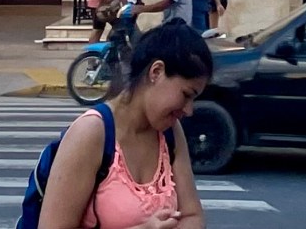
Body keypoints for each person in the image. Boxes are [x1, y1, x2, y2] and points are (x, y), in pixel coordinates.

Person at [34, 20, 212, 229]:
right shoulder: (92, 133)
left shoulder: (170, 132)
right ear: (156, 72)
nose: (188, 110)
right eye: (186, 95)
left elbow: (192, 215)